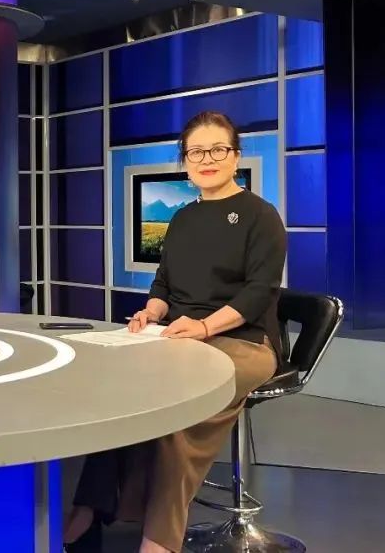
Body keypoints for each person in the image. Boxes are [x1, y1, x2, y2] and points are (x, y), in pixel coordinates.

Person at [63, 111, 284, 553]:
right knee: (117, 394)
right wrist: (151, 312)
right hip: (181, 336)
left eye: (217, 149)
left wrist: (204, 326)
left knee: (177, 410)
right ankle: (90, 509)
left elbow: (259, 293)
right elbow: (163, 282)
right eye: (196, 152)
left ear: (235, 156)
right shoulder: (182, 218)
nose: (207, 159)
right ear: (185, 161)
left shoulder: (261, 216)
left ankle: (159, 539)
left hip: (244, 341)